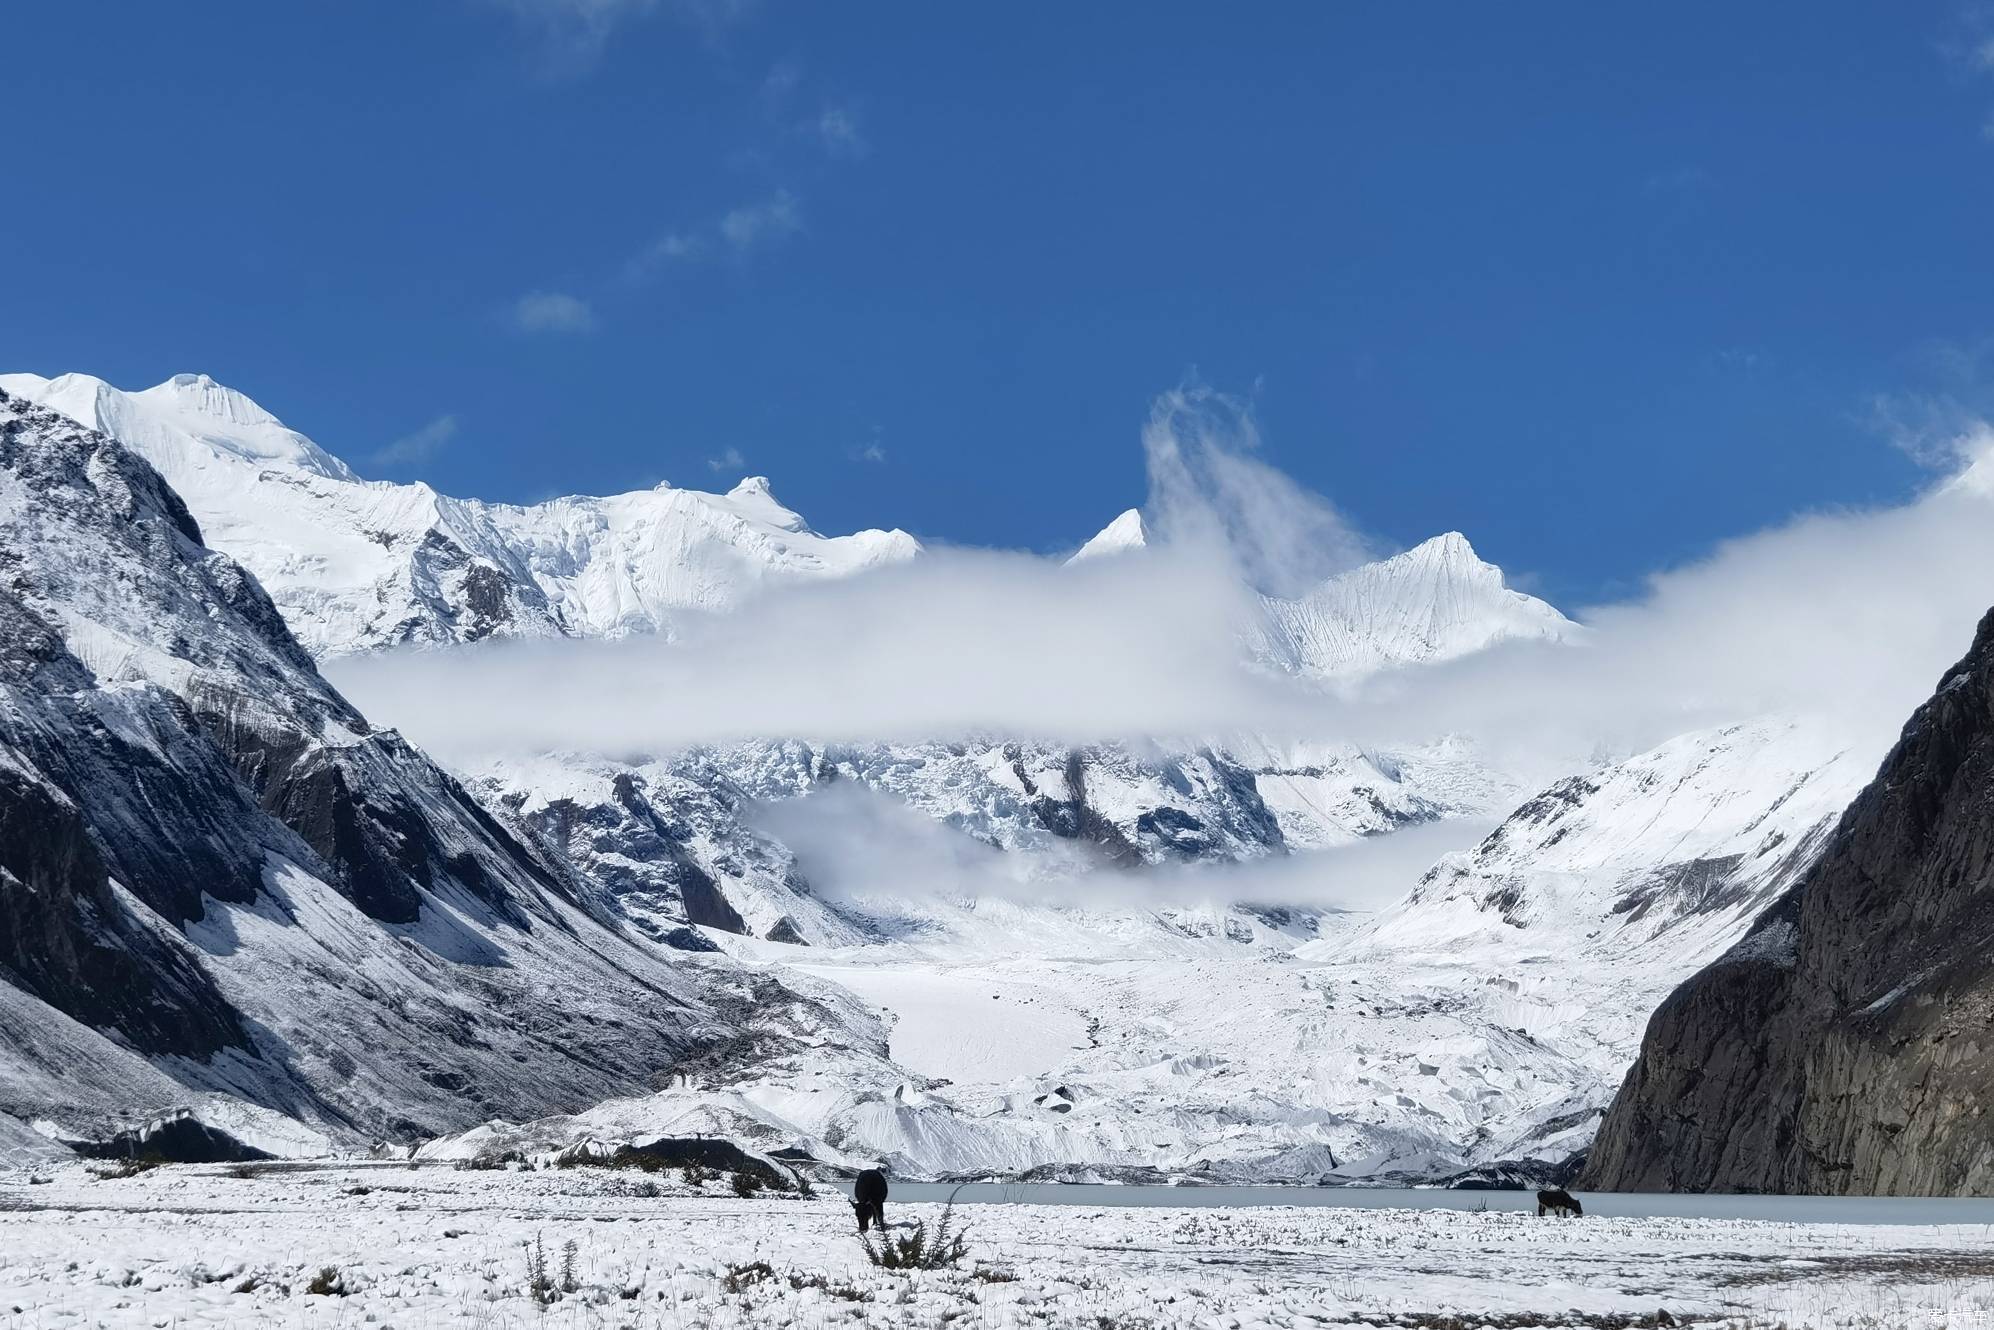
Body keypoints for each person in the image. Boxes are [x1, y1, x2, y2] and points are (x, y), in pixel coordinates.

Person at [852, 1167, 888, 1233]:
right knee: (877, 1203)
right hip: (875, 1190)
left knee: (876, 1202)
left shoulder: (860, 1194)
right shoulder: (862, 1193)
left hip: (871, 1190)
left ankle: (876, 1222)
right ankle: (879, 1222)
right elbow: (879, 1203)